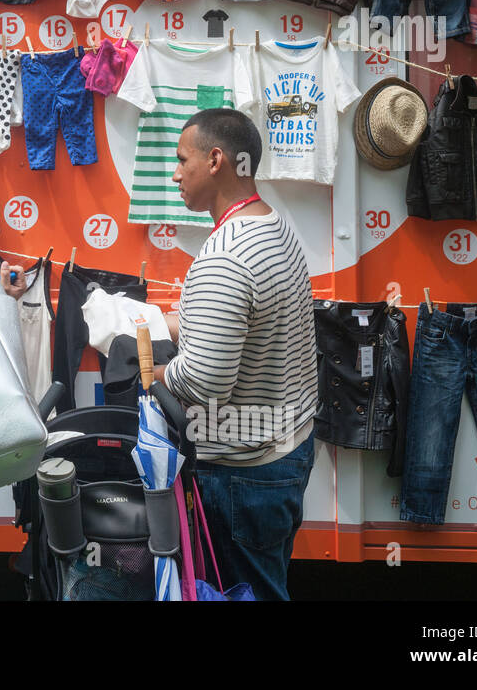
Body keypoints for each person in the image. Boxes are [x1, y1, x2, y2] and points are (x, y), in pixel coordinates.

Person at [157, 108, 318, 601]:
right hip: (287, 449)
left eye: (183, 160)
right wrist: (182, 325)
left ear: (216, 160)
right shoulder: (272, 224)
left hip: (244, 474)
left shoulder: (224, 255)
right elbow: (257, 327)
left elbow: (205, 386)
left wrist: (159, 371)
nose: (175, 172)